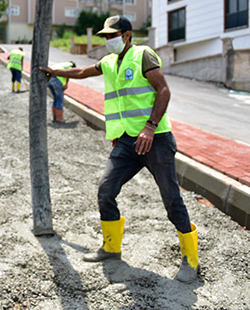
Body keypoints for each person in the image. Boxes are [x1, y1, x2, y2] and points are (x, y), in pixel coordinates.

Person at [40, 15, 198, 283]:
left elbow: (163, 91)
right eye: (105, 37)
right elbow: (83, 72)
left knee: (172, 199)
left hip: (155, 139)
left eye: (112, 36)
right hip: (125, 142)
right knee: (106, 189)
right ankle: (111, 247)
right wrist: (57, 72)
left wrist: (149, 126)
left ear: (127, 35)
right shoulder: (110, 62)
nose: (108, 40)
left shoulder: (143, 55)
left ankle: (191, 260)